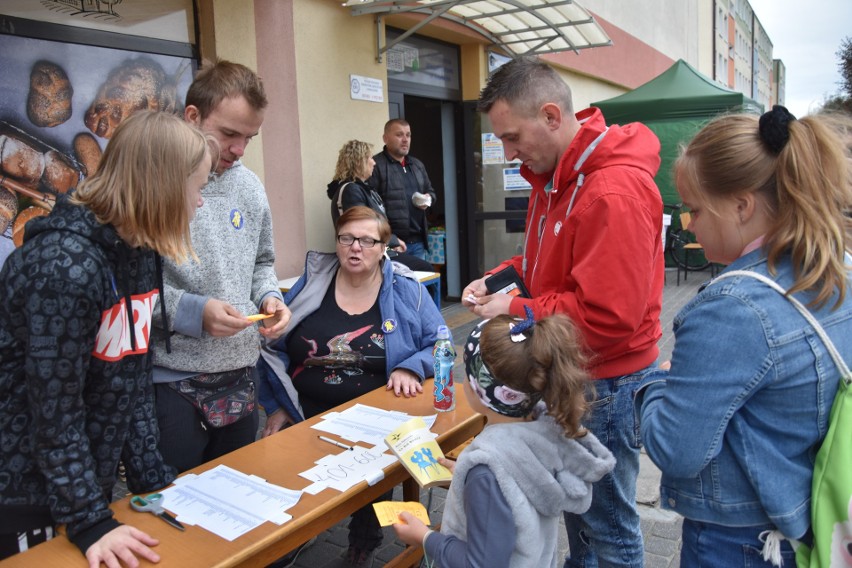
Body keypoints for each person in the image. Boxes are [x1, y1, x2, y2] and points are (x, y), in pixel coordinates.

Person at [462, 56, 663, 566]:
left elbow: (607, 316)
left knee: (608, 531)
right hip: (576, 374)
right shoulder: (553, 177)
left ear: (551, 116)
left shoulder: (610, 191)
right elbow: (542, 265)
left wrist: (517, 307)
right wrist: (499, 280)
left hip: (605, 384)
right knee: (584, 520)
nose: (508, 154)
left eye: (511, 137)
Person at [636, 106, 852, 567]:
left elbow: (676, 450)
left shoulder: (731, 307)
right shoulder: (835, 268)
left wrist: (655, 383)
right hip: (808, 520)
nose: (689, 223)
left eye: (694, 208)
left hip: (739, 540)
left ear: (741, 205)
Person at [0, 110, 211, 565]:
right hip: (20, 494)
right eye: (197, 186)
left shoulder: (137, 249)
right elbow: (54, 410)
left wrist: (152, 480)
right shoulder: (63, 266)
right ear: (164, 186)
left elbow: (132, 376)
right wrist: (89, 519)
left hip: (79, 487)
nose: (199, 203)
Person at [257, 206, 445, 565]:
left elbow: (441, 342)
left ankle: (364, 537)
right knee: (282, 465)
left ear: (383, 246)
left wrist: (411, 366)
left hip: (375, 417)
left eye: (366, 240)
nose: (355, 248)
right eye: (347, 238)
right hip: (306, 410)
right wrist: (278, 403)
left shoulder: (404, 289)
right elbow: (270, 346)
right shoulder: (312, 283)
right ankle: (295, 532)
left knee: (374, 462)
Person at [151, 60, 291, 473]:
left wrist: (270, 297)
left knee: (232, 497)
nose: (239, 149)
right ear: (192, 117)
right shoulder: (154, 184)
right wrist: (194, 312)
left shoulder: (248, 184)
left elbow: (262, 261)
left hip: (240, 374)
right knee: (173, 511)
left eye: (249, 137)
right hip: (170, 380)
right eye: (230, 133)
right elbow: (128, 291)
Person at [393, 310, 616, 567]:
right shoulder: (543, 435)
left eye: (467, 372)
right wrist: (466, 478)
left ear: (484, 391)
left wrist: (425, 537)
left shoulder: (487, 472)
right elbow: (513, 489)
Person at [327, 139, 433, 272]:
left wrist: (390, 243)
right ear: (360, 162)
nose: (374, 162)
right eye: (370, 158)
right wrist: (393, 241)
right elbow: (363, 226)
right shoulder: (351, 190)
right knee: (426, 269)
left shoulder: (364, 189)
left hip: (378, 251)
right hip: (368, 255)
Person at [367, 119, 437, 261]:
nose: (405, 140)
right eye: (399, 135)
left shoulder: (417, 165)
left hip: (418, 243)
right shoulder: (376, 166)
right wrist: (390, 240)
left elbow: (432, 192)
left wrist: (428, 199)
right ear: (385, 138)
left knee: (417, 283)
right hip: (392, 245)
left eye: (408, 135)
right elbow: (369, 208)